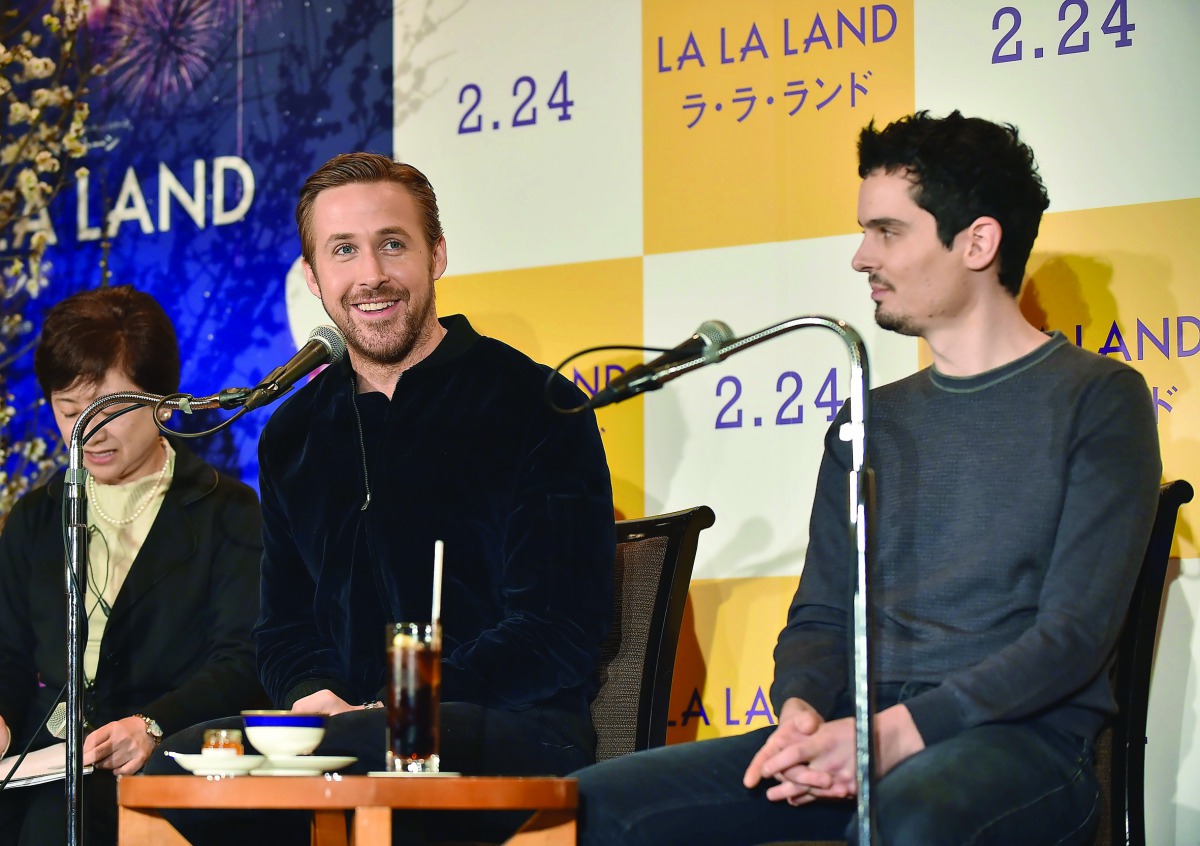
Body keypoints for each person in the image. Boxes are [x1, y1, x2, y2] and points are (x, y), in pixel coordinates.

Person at [574, 110, 1162, 845]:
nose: (860, 257)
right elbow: (821, 618)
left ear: (977, 241)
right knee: (587, 809)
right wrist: (801, 716)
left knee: (903, 823)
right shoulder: (867, 420)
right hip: (858, 733)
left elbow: (1072, 636)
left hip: (1021, 745)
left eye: (887, 231)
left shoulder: (1098, 398)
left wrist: (896, 734)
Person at [148, 152, 615, 843]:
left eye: (392, 244)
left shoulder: (534, 402)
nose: (370, 275)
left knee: (370, 755)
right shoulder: (293, 434)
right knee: (176, 767)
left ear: (438, 255)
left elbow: (559, 630)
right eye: (344, 251)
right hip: (340, 736)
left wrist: (389, 708)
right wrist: (313, 700)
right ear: (313, 276)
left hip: (508, 729)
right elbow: (282, 630)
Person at [0, 285, 267, 845]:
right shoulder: (36, 517)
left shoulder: (226, 511)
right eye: (69, 411)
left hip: (166, 765)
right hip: (42, 770)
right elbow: (10, 653)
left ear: (165, 402)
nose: (87, 435)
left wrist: (153, 724)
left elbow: (242, 659)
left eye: (109, 412)